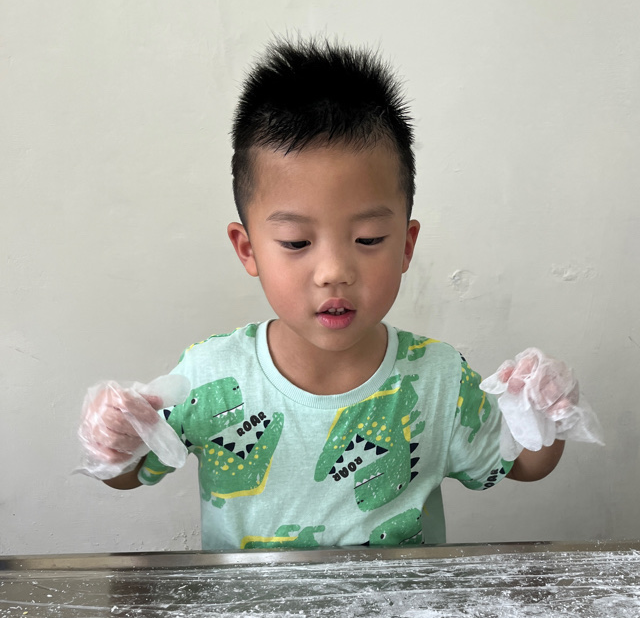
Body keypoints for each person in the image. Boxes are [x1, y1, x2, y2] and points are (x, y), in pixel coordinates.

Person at [78, 38, 577, 552]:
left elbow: (524, 464)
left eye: (369, 239)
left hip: (403, 606)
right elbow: (130, 473)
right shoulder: (210, 377)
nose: (334, 272)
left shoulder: (439, 379)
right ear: (248, 249)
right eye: (297, 242)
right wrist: (116, 440)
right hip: (251, 606)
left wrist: (542, 412)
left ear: (406, 246)